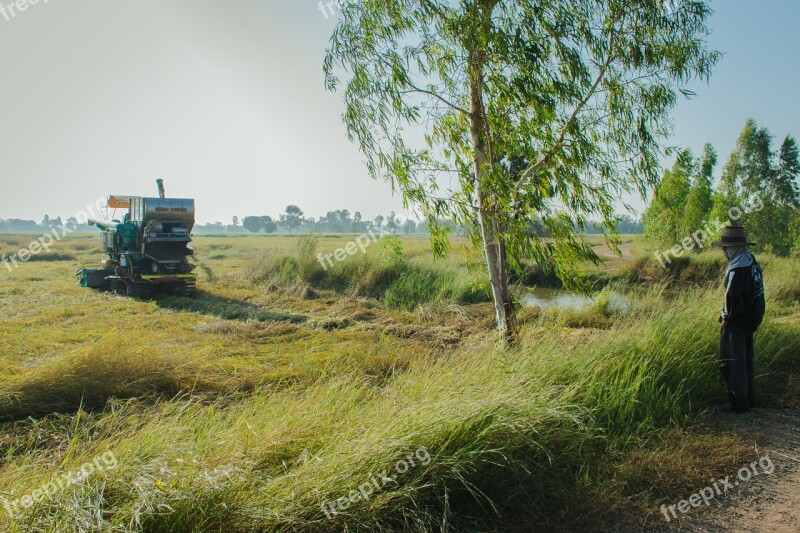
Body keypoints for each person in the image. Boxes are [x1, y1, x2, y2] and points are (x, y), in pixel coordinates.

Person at [712, 226, 765, 413]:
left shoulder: (737, 267)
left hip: (738, 319)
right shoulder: (751, 261)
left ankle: (739, 404)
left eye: (725, 247)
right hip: (752, 316)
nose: (723, 251)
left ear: (733, 248)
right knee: (745, 358)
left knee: (731, 360)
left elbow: (732, 296)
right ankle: (749, 398)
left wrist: (726, 319)